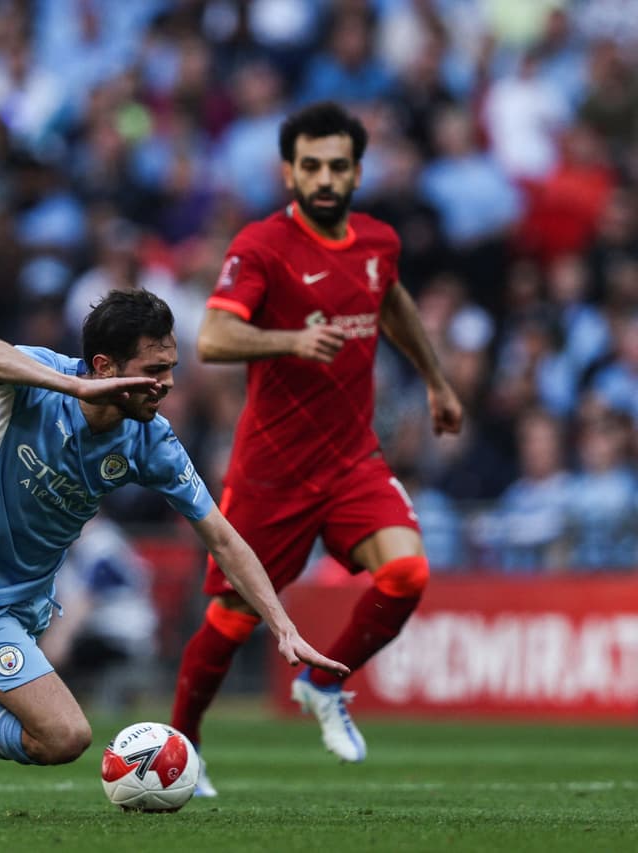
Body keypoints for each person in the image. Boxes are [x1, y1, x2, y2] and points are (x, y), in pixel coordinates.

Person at [0, 289, 347, 775]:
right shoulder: (40, 377)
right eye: (154, 371)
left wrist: (281, 624)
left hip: (29, 600)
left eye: (171, 369)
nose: (166, 385)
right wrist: (75, 387)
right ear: (104, 366)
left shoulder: (150, 442)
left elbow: (223, 537)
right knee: (62, 737)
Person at [169, 102, 463, 791]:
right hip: (272, 470)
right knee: (235, 615)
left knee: (408, 574)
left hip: (353, 459)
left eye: (337, 165)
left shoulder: (378, 241)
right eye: (311, 166)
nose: (324, 178)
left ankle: (322, 681)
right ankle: (182, 744)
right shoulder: (262, 246)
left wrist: (436, 382)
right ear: (289, 172)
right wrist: (289, 340)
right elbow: (212, 337)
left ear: (358, 171)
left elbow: (391, 300)